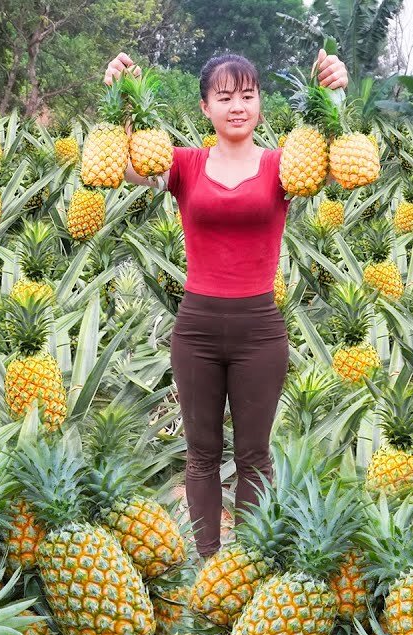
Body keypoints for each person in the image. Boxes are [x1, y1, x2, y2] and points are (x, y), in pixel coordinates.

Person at [103, 49, 349, 558]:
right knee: (201, 456)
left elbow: (343, 170)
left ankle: (250, 567)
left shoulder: (285, 165)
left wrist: (336, 92)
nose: (238, 105)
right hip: (196, 330)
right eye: (225, 96)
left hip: (259, 331)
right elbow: (125, 167)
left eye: (248, 94)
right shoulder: (185, 164)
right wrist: (119, 97)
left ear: (260, 103)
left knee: (256, 456)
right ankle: (208, 565)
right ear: (204, 108)